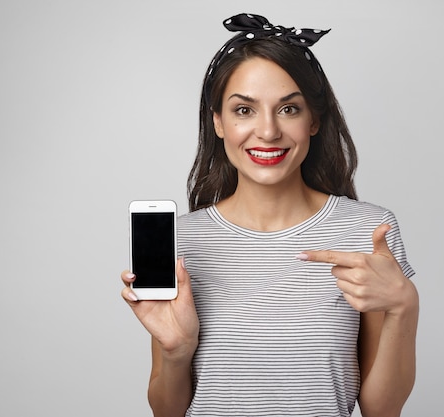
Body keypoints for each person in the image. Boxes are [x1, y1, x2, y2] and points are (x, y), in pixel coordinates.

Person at [121, 13, 419, 417]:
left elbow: (381, 410)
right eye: (244, 110)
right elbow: (167, 412)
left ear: (313, 119)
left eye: (288, 110)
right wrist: (177, 352)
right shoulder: (182, 241)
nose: (267, 131)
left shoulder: (366, 230)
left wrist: (404, 306)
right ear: (218, 122)